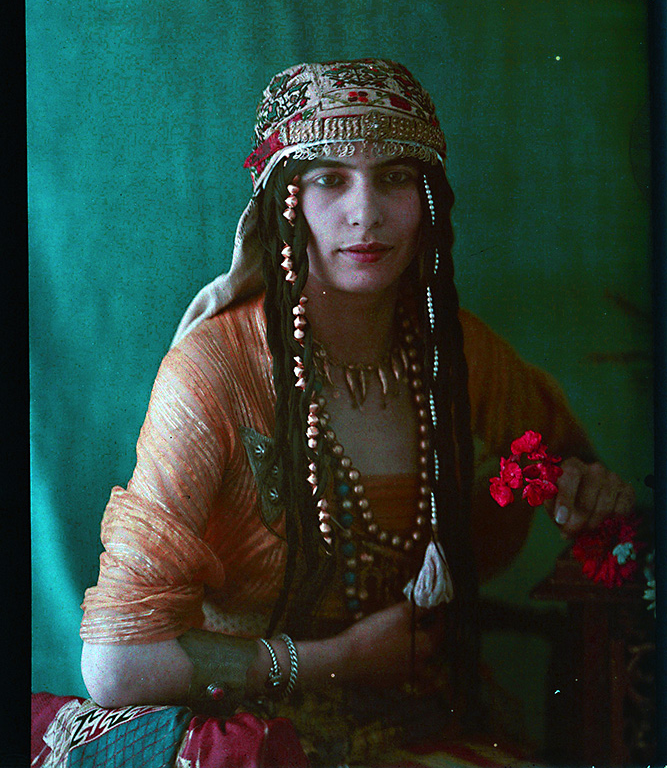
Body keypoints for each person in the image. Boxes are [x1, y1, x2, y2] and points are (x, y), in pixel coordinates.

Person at [79, 58, 635, 765]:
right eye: (330, 179)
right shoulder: (215, 373)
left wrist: (586, 498)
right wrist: (333, 659)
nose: (365, 213)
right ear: (286, 201)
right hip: (262, 741)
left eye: (395, 177)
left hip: (431, 727)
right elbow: (114, 666)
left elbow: (582, 484)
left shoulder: (456, 352)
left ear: (427, 198)